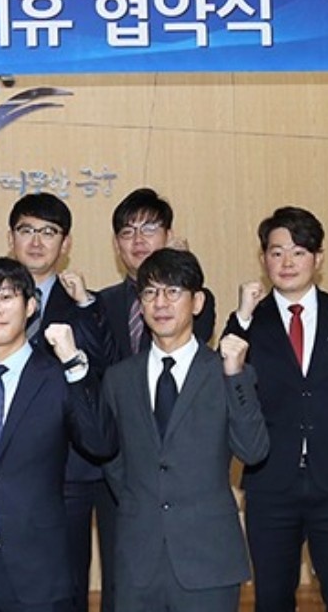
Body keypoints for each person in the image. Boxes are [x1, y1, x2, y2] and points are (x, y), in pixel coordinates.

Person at [223, 206, 328, 612]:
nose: (287, 262)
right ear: (263, 259)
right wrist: (241, 315)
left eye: (298, 252)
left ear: (318, 258)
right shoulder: (251, 320)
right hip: (270, 481)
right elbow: (224, 375)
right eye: (276, 252)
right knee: (272, 598)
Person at [0, 256, 117, 612]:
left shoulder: (58, 376)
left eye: (6, 297)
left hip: (41, 567)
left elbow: (101, 442)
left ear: (31, 306)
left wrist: (74, 361)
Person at [102, 248, 268, 612]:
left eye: (173, 291)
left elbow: (253, 450)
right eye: (150, 292)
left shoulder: (226, 372)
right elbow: (113, 459)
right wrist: (139, 501)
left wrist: (235, 376)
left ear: (197, 302)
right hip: (137, 560)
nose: (160, 303)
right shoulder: (118, 379)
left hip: (208, 557)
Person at [97, 187, 216, 358]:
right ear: (116, 245)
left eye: (149, 229)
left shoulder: (193, 300)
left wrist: (179, 268)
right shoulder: (102, 303)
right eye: (127, 232)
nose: (138, 240)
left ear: (169, 236)